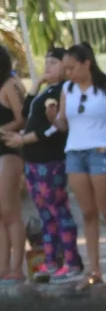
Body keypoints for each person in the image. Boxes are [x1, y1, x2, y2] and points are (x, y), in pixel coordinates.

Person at [1, 47, 83, 282]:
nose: (48, 67)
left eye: (53, 63)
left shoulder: (63, 91)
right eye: (46, 62)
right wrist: (36, 84)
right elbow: (27, 111)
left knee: (55, 210)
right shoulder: (43, 91)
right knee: (43, 214)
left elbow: (47, 126)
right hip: (33, 159)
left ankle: (69, 261)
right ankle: (48, 261)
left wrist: (21, 138)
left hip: (47, 158)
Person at [57, 43, 106, 285]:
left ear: (86, 63)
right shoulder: (67, 88)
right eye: (65, 69)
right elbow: (63, 124)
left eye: (71, 68)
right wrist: (53, 117)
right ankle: (94, 269)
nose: (68, 73)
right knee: (88, 213)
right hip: (74, 153)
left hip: (102, 151)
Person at [0, 46, 27, 282]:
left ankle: (17, 267)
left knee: (10, 212)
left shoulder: (10, 85)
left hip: (8, 152)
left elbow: (22, 118)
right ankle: (3, 266)